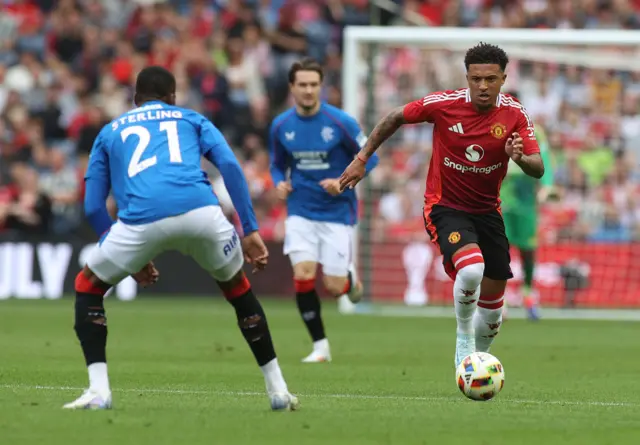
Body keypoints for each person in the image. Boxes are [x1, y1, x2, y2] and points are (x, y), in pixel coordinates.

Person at [64, 66, 299, 411]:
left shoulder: (110, 131)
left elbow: (92, 205)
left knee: (88, 287)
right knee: (238, 290)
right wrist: (249, 229)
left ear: (134, 99)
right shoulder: (191, 119)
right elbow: (231, 168)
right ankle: (278, 390)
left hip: (139, 221)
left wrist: (131, 257)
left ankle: (99, 391)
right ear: (173, 97)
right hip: (201, 213)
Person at [339, 43, 545, 367]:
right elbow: (394, 117)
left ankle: (478, 364)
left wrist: (519, 157)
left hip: (488, 212)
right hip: (445, 206)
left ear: (503, 79)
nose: (482, 86)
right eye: (476, 78)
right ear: (467, 77)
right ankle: (463, 338)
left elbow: (538, 167)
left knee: (493, 316)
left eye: (490, 79)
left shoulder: (515, 114)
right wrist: (362, 158)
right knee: (472, 268)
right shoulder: (444, 104)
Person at [269, 58, 379, 363]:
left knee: (333, 287)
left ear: (321, 87)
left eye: (313, 84)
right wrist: (279, 183)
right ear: (292, 87)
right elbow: (277, 164)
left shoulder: (341, 122)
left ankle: (349, 280)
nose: (308, 90)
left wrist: (343, 182)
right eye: (302, 84)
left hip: (336, 213)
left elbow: (370, 159)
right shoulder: (280, 125)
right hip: (300, 211)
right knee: (303, 275)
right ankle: (320, 347)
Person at [500, 92, 555, 321]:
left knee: (527, 248)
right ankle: (498, 299)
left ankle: (528, 293)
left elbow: (544, 159)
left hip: (525, 195)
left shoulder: (534, 130)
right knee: (499, 248)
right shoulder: (489, 126)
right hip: (500, 193)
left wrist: (547, 185)